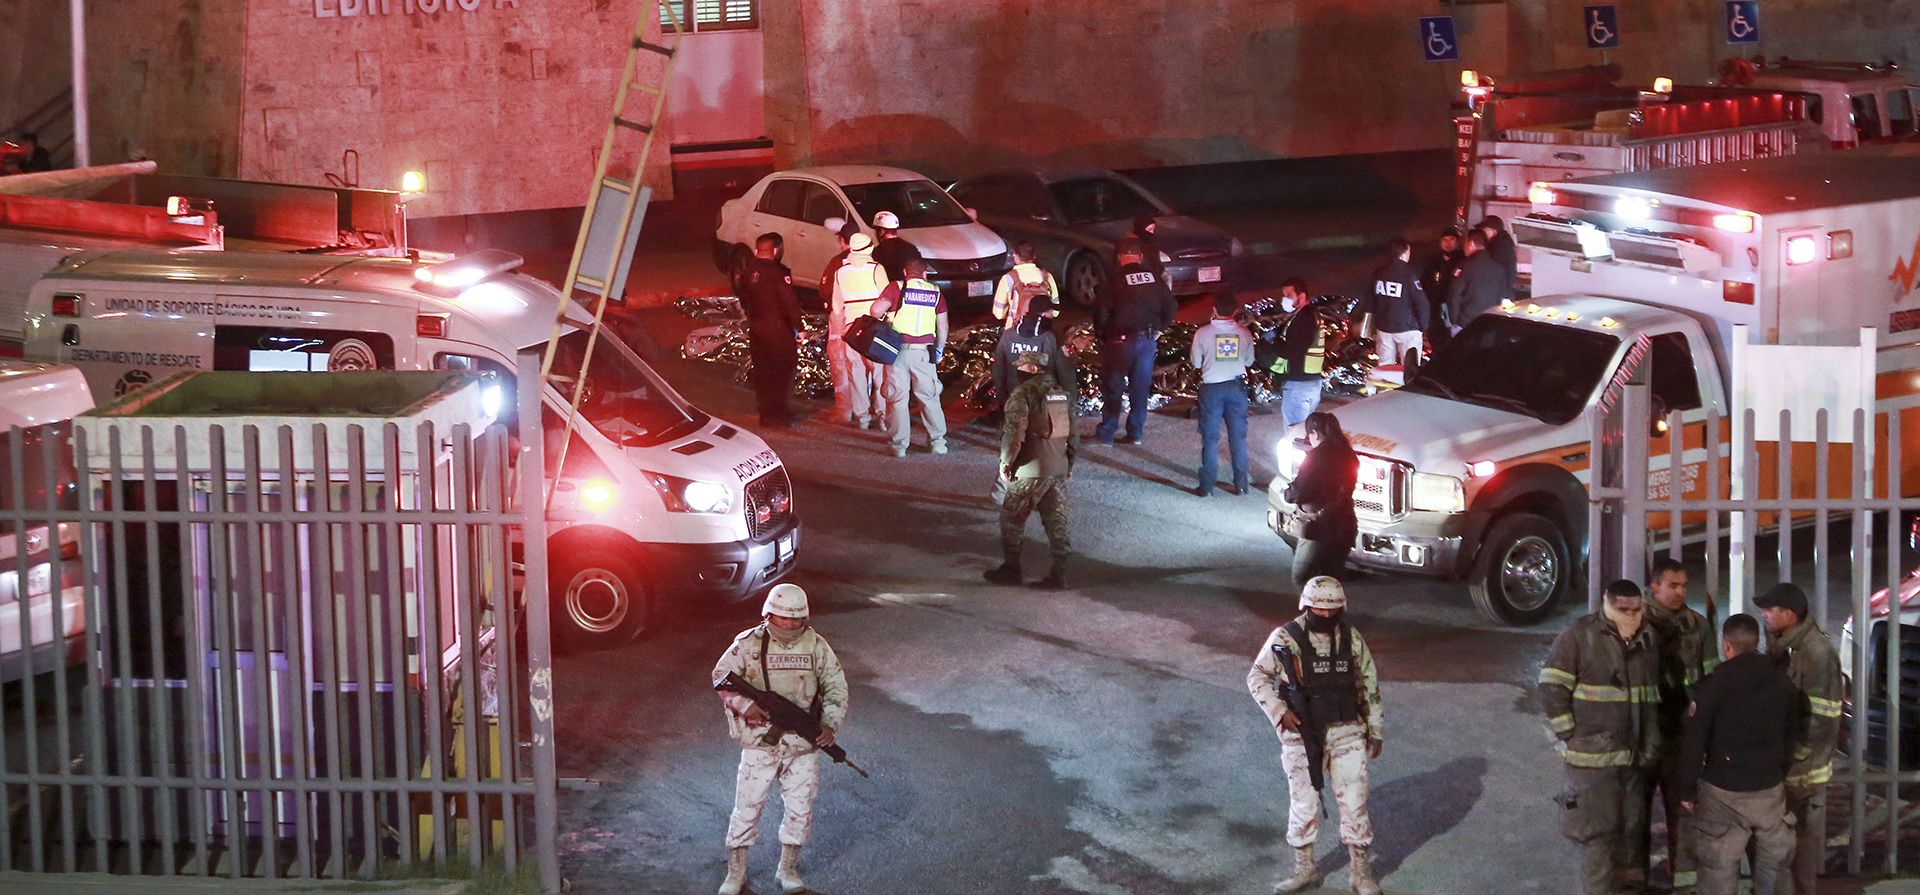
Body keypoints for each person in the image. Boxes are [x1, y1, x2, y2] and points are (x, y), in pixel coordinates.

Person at [1247, 576, 1385, 895]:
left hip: (1347, 730)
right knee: (1304, 802)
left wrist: (1375, 729)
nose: (1325, 615)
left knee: (1354, 802)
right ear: (1306, 606)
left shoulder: (1351, 638)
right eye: (1318, 610)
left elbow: (1369, 683)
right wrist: (1279, 711)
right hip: (1302, 736)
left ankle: (1360, 872)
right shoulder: (1286, 637)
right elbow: (1257, 677)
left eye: (1332, 610)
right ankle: (1305, 869)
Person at [711, 583, 849, 895]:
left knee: (800, 809)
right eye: (780, 618)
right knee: (747, 807)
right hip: (761, 742)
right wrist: (747, 706)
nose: (787, 625)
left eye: (795, 619)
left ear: (805, 619)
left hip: (803, 745)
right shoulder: (748, 643)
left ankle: (787, 871)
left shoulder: (816, 645)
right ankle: (736, 875)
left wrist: (828, 725)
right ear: (767, 615)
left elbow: (836, 687)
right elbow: (721, 676)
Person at [1540, 579, 1662, 895]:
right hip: (1593, 765)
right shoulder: (1579, 636)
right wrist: (1569, 734)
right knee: (1596, 841)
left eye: (1636, 610)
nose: (1631, 616)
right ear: (1607, 605)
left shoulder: (1648, 638)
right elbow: (1553, 686)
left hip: (1633, 761)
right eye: (1624, 610)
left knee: (1631, 837)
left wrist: (1650, 744)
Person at [1674, 613, 1801, 895]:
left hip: (1723, 791)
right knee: (1774, 869)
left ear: (1726, 645)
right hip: (1769, 789)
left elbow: (1694, 742)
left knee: (1718, 869)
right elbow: (1792, 735)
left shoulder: (1713, 687)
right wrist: (1778, 772)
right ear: (1756, 643)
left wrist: (1687, 790)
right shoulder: (1783, 684)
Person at [1757, 581, 1842, 895]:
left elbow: (1823, 718)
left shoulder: (1816, 653)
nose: (1763, 615)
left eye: (1769, 610)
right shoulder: (1784, 642)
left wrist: (1800, 753)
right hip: (1785, 764)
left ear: (1789, 614)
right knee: (1782, 841)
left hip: (1804, 770)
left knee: (1802, 843)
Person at [1643, 557, 1715, 893]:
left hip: (1680, 737)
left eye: (1684, 585)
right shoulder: (1636, 623)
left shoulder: (1698, 627)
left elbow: (1710, 682)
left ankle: (1684, 884)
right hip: (1643, 735)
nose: (1681, 592)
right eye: (1673, 585)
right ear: (1655, 586)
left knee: (1683, 815)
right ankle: (1635, 882)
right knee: (1635, 817)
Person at [983, 351, 1077, 589]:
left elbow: (1014, 434)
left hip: (1030, 468)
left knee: (1011, 519)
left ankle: (1011, 569)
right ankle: (1060, 574)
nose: (1018, 370)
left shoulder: (1023, 395)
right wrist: (1068, 465)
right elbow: (1073, 434)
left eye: (1022, 366)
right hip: (1057, 466)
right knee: (1057, 522)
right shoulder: (1060, 394)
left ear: (1033, 369)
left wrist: (1006, 463)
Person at [1092, 237, 1176, 446]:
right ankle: (1135, 433)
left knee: (1114, 388)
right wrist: (1160, 329)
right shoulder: (1154, 279)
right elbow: (1171, 306)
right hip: (1147, 342)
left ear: (1119, 258)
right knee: (1140, 389)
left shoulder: (1112, 281)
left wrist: (1102, 335)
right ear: (1139, 257)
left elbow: (1101, 312)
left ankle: (1107, 433)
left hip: (1119, 343)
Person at [871, 257, 950, 456]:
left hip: (897, 352)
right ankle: (938, 442)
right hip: (923, 353)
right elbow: (943, 326)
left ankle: (899, 446)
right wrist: (939, 350)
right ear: (925, 274)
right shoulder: (935, 292)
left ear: (905, 272)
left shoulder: (896, 287)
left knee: (897, 398)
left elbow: (875, 310)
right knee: (929, 397)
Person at [1282, 412, 1358, 589]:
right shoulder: (1348, 454)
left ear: (1315, 433)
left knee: (1302, 577)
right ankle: (1332, 613)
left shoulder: (1316, 457)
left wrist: (1288, 493)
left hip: (1320, 528)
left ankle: (1315, 613)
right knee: (1331, 578)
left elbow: (1301, 490)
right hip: (1345, 524)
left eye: (1310, 435)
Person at [738, 233, 804, 428]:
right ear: (775, 250)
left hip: (757, 328)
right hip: (778, 330)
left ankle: (766, 413)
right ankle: (779, 414)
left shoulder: (748, 272)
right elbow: (789, 301)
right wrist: (799, 327)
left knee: (763, 371)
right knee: (781, 371)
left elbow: (743, 298)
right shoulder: (779, 272)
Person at [1190, 293, 1254, 497]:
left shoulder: (1202, 333)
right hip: (1236, 389)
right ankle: (1241, 484)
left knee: (1210, 439)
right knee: (1238, 438)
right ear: (1235, 311)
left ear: (1214, 310)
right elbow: (1249, 362)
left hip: (1212, 390)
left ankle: (1207, 486)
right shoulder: (1244, 333)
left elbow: (1196, 363)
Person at [829, 232, 889, 429]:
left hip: (851, 330)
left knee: (856, 374)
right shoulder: (876, 269)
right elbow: (887, 300)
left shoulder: (840, 272)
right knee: (879, 374)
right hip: (874, 329)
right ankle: (882, 417)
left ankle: (862, 418)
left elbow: (836, 306)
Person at [992, 301, 1075, 424]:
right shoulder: (1051, 337)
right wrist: (1070, 399)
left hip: (1014, 396)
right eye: (1051, 312)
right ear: (1044, 315)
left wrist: (1002, 397)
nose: (1053, 315)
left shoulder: (1009, 335)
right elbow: (1065, 372)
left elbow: (998, 369)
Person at [1359, 239, 1429, 372]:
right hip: (1407, 329)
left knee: (1385, 368)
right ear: (1404, 253)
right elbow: (1422, 303)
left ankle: (1386, 392)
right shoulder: (1408, 275)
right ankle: (1406, 391)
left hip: (1384, 328)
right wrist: (1423, 328)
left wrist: (1372, 327)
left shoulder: (1378, 274)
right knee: (1409, 368)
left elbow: (1370, 302)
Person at [1267, 280, 1325, 430]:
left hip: (1299, 385)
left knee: (1295, 434)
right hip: (1310, 382)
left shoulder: (1304, 318)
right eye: (1284, 295)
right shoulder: (1312, 315)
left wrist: (1272, 343)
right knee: (1305, 432)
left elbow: (1292, 351)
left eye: (1289, 295)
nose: (1285, 299)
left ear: (1301, 296)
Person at [1446, 230, 1508, 332]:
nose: (1463, 247)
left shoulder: (1464, 266)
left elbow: (1453, 296)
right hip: (1489, 324)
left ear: (1471, 244)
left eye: (1465, 243)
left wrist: (1453, 321)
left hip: (1465, 323)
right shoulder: (1498, 269)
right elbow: (1502, 297)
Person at [992, 241, 1059, 329]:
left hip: (1015, 329)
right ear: (1034, 256)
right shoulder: (1047, 277)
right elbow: (1055, 312)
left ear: (1015, 256)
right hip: (1042, 329)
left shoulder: (1008, 279)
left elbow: (999, 314)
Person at [1420, 230, 1463, 349]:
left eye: (1452, 239)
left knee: (1448, 336)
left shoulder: (1462, 259)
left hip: (1451, 307)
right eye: (1445, 240)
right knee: (1436, 336)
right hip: (1435, 306)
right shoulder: (1434, 260)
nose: (1448, 243)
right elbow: (1424, 282)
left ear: (1457, 241)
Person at [871, 210, 922, 285]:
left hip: (887, 293)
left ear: (881, 231)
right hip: (907, 292)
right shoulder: (911, 249)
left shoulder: (878, 252)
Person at [1479, 215, 1519, 294]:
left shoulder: (1498, 247)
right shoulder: (1504, 244)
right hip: (1502, 292)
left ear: (1494, 231)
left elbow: (1493, 272)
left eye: (1485, 229)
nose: (1483, 232)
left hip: (1497, 293)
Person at [1130, 213, 1166, 279]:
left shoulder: (1150, 241)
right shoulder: (1131, 243)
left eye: (1153, 229)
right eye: (1149, 229)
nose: (1152, 232)